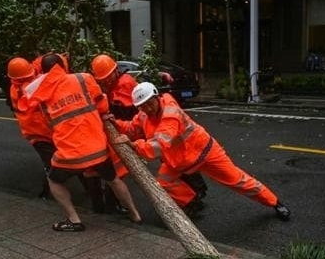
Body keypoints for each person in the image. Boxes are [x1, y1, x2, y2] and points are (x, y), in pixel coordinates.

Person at [111, 81, 291, 221]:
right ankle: (191, 201)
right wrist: (114, 123)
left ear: (157, 97)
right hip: (179, 161)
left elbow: (159, 145)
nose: (147, 109)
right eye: (142, 106)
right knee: (163, 183)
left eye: (149, 104)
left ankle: (274, 203)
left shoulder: (171, 113)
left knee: (238, 180)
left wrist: (135, 146)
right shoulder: (144, 115)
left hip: (205, 154)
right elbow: (132, 128)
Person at [18, 53, 142, 231]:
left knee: (53, 180)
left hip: (70, 155)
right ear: (63, 65)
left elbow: (48, 123)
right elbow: (102, 106)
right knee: (114, 179)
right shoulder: (84, 78)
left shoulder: (42, 96)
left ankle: (74, 220)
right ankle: (135, 214)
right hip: (97, 148)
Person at [90, 54, 208, 210]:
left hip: (145, 127)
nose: (106, 81)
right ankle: (195, 193)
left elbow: (128, 110)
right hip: (142, 125)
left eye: (108, 77)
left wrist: (125, 128)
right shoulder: (114, 86)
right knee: (172, 161)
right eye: (103, 79)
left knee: (174, 160)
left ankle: (195, 193)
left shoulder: (124, 84)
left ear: (115, 71)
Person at [6, 56, 55, 199]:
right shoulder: (22, 91)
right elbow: (45, 80)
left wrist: (55, 57)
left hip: (48, 132)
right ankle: (46, 193)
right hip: (39, 136)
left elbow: (37, 65)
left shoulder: (22, 79)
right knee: (52, 165)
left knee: (68, 159)